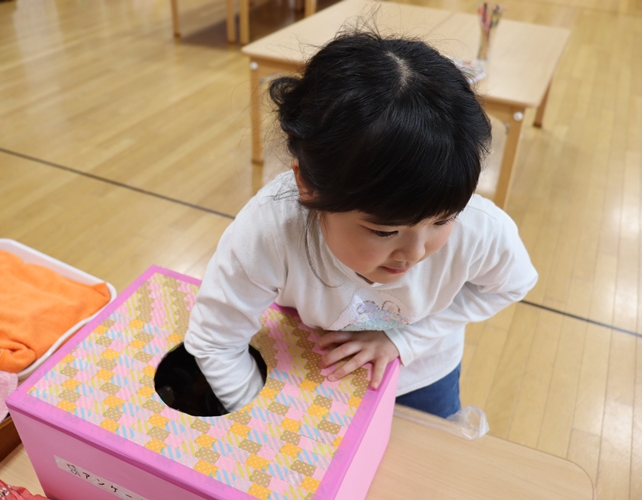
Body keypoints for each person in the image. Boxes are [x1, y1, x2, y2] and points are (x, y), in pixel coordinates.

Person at [184, 31, 537, 418]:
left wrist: (404, 339)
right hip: (314, 369)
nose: (414, 253)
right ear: (307, 186)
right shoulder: (270, 230)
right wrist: (264, 419)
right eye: (385, 232)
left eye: (443, 220)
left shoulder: (480, 228)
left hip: (422, 373)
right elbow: (215, 339)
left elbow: (512, 283)